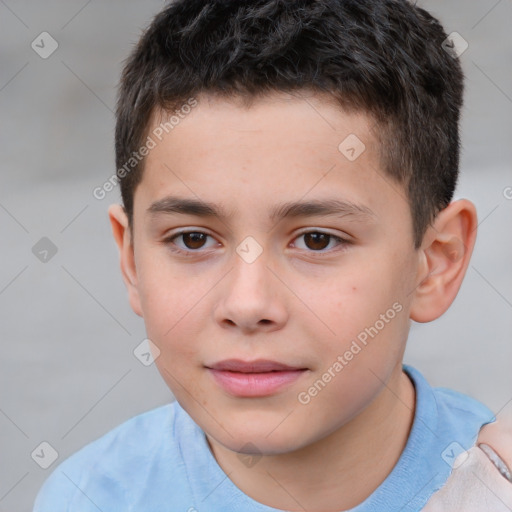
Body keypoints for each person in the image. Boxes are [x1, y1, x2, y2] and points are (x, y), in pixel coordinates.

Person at [33, 0, 512, 510]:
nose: (246, 304)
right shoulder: (88, 498)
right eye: (193, 239)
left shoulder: (493, 489)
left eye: (317, 240)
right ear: (131, 261)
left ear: (435, 262)